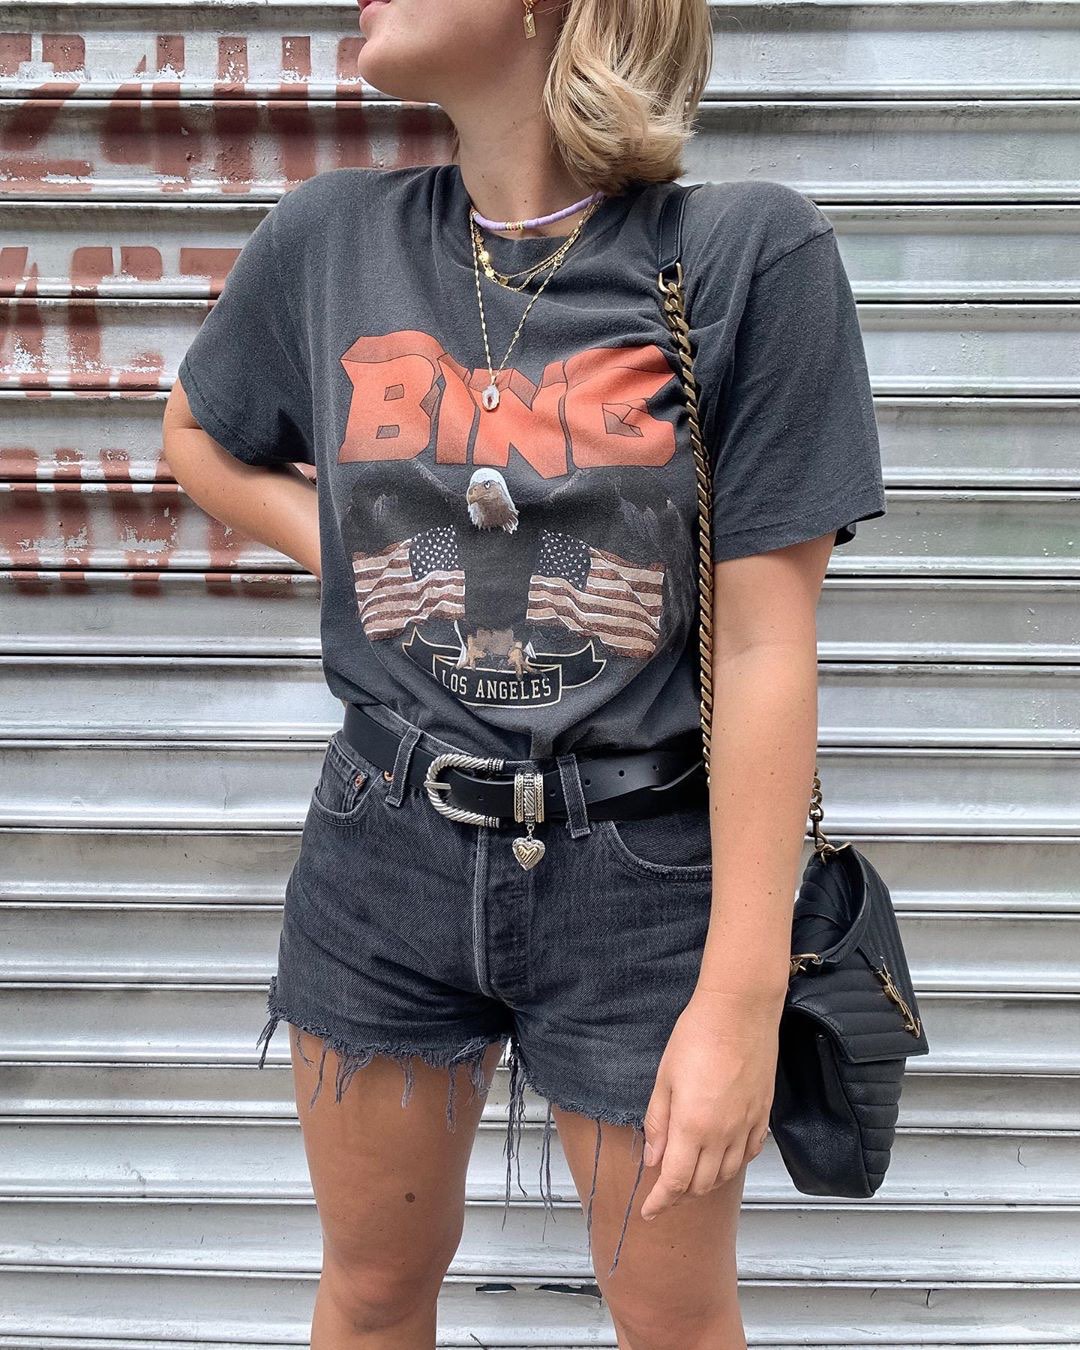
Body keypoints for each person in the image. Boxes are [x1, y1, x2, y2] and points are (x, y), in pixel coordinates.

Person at [161, 0, 886, 1342]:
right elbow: (198, 436)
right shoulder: (332, 239)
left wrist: (740, 1001)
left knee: (672, 1319)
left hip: (641, 874)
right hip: (384, 842)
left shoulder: (744, 254)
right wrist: (365, 558)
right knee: (372, 1292)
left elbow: (765, 644)